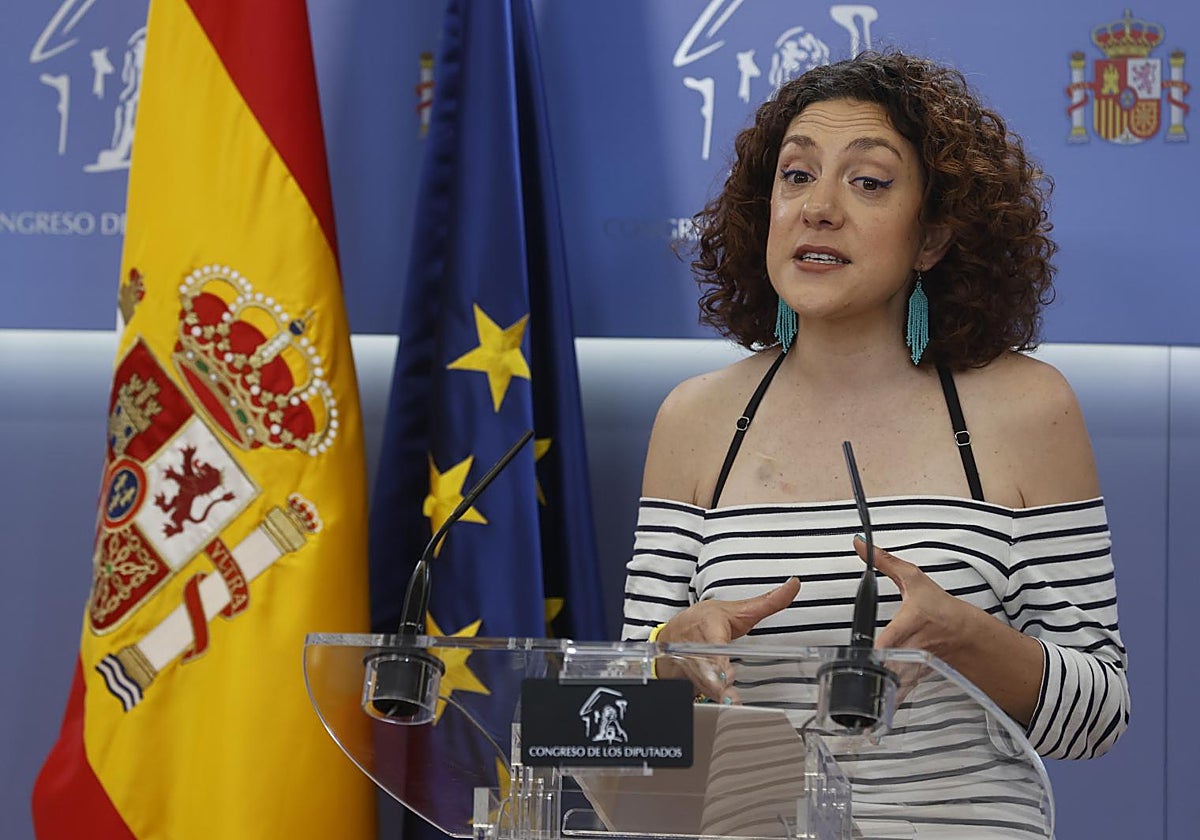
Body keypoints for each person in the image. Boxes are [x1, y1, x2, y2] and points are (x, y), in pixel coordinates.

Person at [621, 49, 1129, 775]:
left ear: (933, 237)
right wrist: (671, 656)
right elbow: (622, 722)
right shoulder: (693, 419)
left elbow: (1101, 715)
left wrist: (971, 640)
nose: (819, 207)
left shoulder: (1028, 408)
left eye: (868, 182)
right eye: (797, 176)